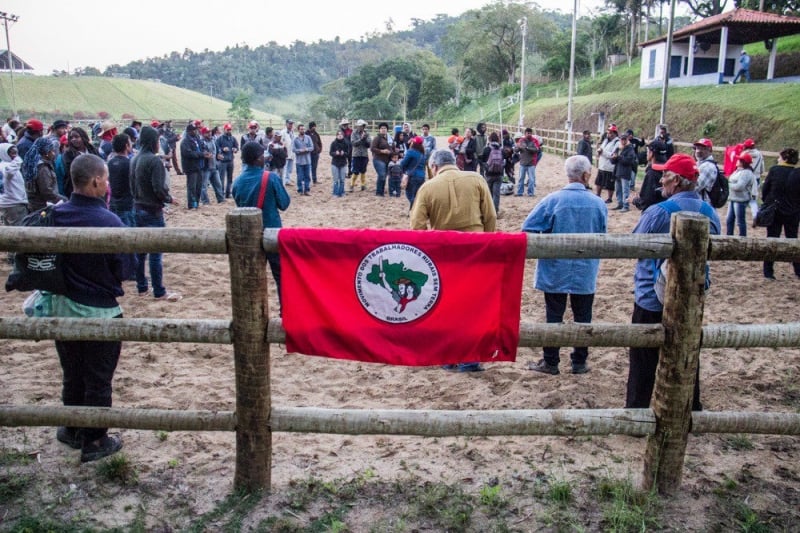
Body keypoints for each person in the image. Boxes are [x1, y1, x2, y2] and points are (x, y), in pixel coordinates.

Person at [51, 153, 136, 462]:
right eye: (106, 179)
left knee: (72, 373)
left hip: (61, 308)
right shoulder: (109, 222)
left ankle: (72, 428)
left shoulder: (55, 215)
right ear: (97, 181)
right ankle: (95, 440)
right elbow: (125, 269)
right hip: (99, 310)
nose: (108, 184)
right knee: (98, 377)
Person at [626, 153, 720, 411]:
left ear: (676, 180)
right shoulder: (710, 213)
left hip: (651, 296)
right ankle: (690, 408)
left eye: (664, 175)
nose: (660, 180)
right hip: (691, 297)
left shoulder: (657, 212)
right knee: (687, 353)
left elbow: (634, 245)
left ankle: (636, 409)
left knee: (643, 357)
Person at [411, 149, 496, 372]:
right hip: (475, 250)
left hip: (444, 253)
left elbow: (417, 226)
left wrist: (429, 249)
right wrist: (485, 243)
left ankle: (448, 356)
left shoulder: (427, 187)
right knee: (473, 304)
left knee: (445, 304)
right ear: (454, 162)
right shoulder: (477, 179)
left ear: (434, 166)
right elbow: (490, 216)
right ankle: (470, 358)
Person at [523, 155, 607, 375]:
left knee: (554, 315)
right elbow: (603, 233)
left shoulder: (553, 200)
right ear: (586, 175)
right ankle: (579, 361)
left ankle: (551, 361)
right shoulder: (598, 203)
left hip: (555, 269)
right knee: (583, 316)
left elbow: (528, 227)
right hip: (585, 269)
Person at [232, 142, 290, 310]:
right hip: (271, 233)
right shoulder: (271, 178)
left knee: (251, 279)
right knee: (281, 276)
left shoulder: (237, 182)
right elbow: (284, 203)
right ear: (258, 159)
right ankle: (284, 311)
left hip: (248, 236)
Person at [131, 126, 181, 301]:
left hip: (137, 208)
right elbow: (158, 188)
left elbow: (132, 186)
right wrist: (169, 199)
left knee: (140, 252)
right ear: (154, 142)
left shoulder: (134, 159)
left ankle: (141, 287)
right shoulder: (154, 161)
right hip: (152, 211)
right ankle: (159, 290)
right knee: (155, 253)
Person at [761, 148, 800, 280]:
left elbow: (765, 190)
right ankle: (798, 270)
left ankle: (768, 271)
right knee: (793, 240)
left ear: (784, 158)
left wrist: (767, 203)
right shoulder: (798, 173)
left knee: (772, 240)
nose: (778, 159)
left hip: (775, 210)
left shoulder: (775, 170)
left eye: (779, 157)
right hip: (793, 212)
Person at [26, 137, 66, 212]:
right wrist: (64, 200)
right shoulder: (42, 168)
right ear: (46, 153)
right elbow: (46, 191)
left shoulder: (34, 164)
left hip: (36, 205)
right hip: (42, 207)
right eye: (52, 151)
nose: (54, 154)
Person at [0, 145, 27, 257]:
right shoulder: (7, 166)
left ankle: (11, 254)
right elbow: (10, 171)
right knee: (18, 232)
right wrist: (18, 159)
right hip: (14, 203)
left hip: (7, 202)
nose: (14, 155)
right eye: (11, 153)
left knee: (10, 230)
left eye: (15, 152)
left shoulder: (4, 165)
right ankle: (16, 256)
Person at [630, 140, 668, 212]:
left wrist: (635, 200)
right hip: (664, 209)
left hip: (652, 211)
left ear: (651, 153)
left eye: (647, 151)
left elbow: (646, 200)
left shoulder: (652, 173)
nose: (647, 153)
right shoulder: (667, 170)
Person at [61, 127, 99, 198]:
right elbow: (72, 171)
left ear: (83, 137)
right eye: (71, 138)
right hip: (77, 188)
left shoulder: (92, 150)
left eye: (76, 137)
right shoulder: (68, 154)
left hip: (94, 186)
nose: (73, 139)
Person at [107, 133, 135, 227]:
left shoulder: (110, 162)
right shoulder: (129, 163)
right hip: (126, 205)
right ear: (126, 146)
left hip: (113, 203)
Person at [726, 152, 756, 237]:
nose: (737, 161)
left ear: (743, 162)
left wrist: (728, 185)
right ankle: (729, 237)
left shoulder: (746, 173)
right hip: (733, 198)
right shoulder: (738, 171)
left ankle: (742, 238)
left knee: (740, 222)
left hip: (740, 200)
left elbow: (739, 186)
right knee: (729, 220)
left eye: (739, 160)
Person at [479, 132, 505, 215]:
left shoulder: (487, 149)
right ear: (498, 139)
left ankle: (488, 212)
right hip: (499, 174)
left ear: (489, 139)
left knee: (489, 194)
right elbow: (504, 160)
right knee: (496, 194)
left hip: (489, 174)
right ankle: (495, 211)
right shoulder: (501, 149)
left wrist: (484, 168)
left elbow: (482, 160)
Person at [611, 133, 637, 212]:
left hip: (625, 172)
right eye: (622, 139)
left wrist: (618, 157)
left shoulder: (630, 149)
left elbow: (629, 161)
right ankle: (620, 204)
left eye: (624, 139)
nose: (623, 141)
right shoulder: (618, 148)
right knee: (618, 190)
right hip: (617, 171)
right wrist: (614, 158)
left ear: (627, 140)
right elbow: (612, 161)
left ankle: (626, 206)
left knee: (625, 190)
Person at [400, 136, 426, 207]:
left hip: (412, 176)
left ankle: (413, 210)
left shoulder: (411, 151)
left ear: (414, 143)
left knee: (410, 194)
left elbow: (403, 163)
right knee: (417, 195)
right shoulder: (423, 154)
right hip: (422, 176)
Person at [595, 125, 619, 203]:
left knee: (610, 184)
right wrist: (599, 151)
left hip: (610, 166)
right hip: (602, 165)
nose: (609, 134)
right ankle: (598, 195)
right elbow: (601, 148)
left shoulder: (617, 142)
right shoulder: (605, 140)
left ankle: (609, 198)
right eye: (608, 132)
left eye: (611, 132)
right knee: (599, 182)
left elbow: (613, 155)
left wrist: (603, 152)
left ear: (615, 133)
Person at [742, 138, 764, 218]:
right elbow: (762, 169)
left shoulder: (744, 154)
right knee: (753, 199)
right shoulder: (759, 154)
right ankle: (755, 216)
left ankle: (740, 215)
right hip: (756, 178)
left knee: (742, 198)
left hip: (745, 177)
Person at [216, 123, 238, 199]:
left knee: (230, 178)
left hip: (230, 160)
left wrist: (235, 149)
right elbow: (216, 148)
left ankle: (228, 193)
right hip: (222, 161)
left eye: (230, 129)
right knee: (221, 178)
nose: (229, 131)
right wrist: (222, 149)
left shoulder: (233, 138)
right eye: (227, 129)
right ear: (224, 129)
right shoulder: (220, 139)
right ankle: (221, 193)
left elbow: (236, 147)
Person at [516, 127, 541, 197]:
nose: (529, 134)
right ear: (525, 133)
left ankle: (531, 193)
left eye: (530, 133)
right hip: (523, 162)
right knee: (521, 178)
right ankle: (520, 192)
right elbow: (516, 150)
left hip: (531, 162)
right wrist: (518, 147)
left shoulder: (535, 141)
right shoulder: (521, 140)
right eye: (528, 133)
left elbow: (536, 150)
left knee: (531, 179)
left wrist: (527, 148)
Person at [692, 138, 718, 205]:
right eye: (697, 148)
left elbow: (695, 187)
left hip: (703, 205)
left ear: (710, 150)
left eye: (703, 148)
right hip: (698, 203)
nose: (698, 151)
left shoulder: (708, 167)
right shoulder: (699, 164)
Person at [371, 122, 392, 197]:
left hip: (387, 160)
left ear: (387, 130)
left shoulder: (390, 139)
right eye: (382, 128)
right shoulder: (377, 138)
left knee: (384, 176)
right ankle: (379, 192)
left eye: (385, 128)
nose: (383, 129)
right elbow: (372, 148)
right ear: (379, 130)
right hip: (378, 159)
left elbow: (392, 147)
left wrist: (392, 151)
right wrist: (382, 151)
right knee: (382, 175)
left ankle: (381, 192)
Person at [293, 123, 314, 196]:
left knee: (307, 176)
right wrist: (300, 150)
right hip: (299, 161)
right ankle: (300, 190)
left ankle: (307, 190)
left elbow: (312, 147)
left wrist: (307, 149)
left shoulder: (308, 138)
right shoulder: (295, 139)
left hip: (307, 160)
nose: (303, 130)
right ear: (298, 130)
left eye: (304, 129)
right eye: (301, 129)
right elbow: (293, 149)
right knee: (300, 177)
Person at [349, 119, 371, 192]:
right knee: (355, 171)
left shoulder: (367, 133)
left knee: (363, 171)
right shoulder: (354, 133)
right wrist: (361, 139)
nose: (361, 127)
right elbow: (353, 143)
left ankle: (363, 185)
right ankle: (352, 185)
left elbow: (369, 144)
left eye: (362, 126)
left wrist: (365, 139)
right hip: (356, 155)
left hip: (364, 154)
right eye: (359, 126)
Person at [330, 130, 349, 197]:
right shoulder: (333, 143)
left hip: (343, 163)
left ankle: (342, 192)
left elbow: (348, 153)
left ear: (343, 136)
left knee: (342, 179)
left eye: (341, 134)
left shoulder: (346, 143)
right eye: (338, 134)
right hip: (335, 163)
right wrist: (335, 153)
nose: (340, 135)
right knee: (335, 180)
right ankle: (335, 193)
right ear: (336, 136)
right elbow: (330, 153)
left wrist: (344, 153)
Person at [280, 119, 296, 186]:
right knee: (284, 168)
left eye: (292, 124)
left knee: (290, 168)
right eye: (289, 124)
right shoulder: (283, 132)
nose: (291, 125)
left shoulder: (293, 132)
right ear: (286, 124)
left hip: (292, 153)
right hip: (285, 152)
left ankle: (287, 180)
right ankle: (283, 181)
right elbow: (280, 141)